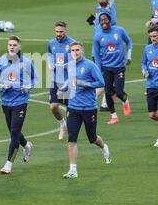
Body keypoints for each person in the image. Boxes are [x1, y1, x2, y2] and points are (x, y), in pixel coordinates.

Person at [58, 41, 111, 179]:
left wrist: (85, 84)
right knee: (72, 139)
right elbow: (70, 82)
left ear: (82, 51)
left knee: (92, 138)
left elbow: (101, 83)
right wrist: (62, 89)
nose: (75, 53)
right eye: (72, 50)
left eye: (77, 50)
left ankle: (104, 147)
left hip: (89, 108)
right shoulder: (69, 66)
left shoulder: (90, 66)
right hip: (73, 107)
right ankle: (73, 170)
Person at [0, 35, 37, 174]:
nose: (12, 47)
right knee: (13, 131)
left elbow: (35, 79)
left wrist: (27, 87)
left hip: (20, 101)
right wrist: (0, 85)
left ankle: (8, 163)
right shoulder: (0, 61)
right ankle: (26, 145)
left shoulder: (27, 62)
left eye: (15, 45)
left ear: (19, 47)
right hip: (6, 102)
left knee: (14, 133)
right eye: (10, 45)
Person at [92, 12, 133, 124]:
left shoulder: (119, 31)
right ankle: (114, 116)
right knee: (108, 93)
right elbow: (96, 55)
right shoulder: (98, 36)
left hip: (119, 67)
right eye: (101, 20)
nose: (103, 22)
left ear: (109, 20)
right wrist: (98, 70)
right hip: (106, 68)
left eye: (105, 19)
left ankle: (125, 100)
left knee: (119, 92)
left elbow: (129, 42)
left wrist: (128, 55)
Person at [47, 21, 75, 140]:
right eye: (57, 31)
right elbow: (49, 55)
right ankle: (62, 124)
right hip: (55, 80)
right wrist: (50, 64)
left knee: (71, 110)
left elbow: (77, 60)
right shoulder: (51, 43)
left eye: (61, 32)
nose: (58, 34)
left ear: (66, 30)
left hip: (69, 80)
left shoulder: (72, 43)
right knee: (53, 106)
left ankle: (72, 134)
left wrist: (65, 65)